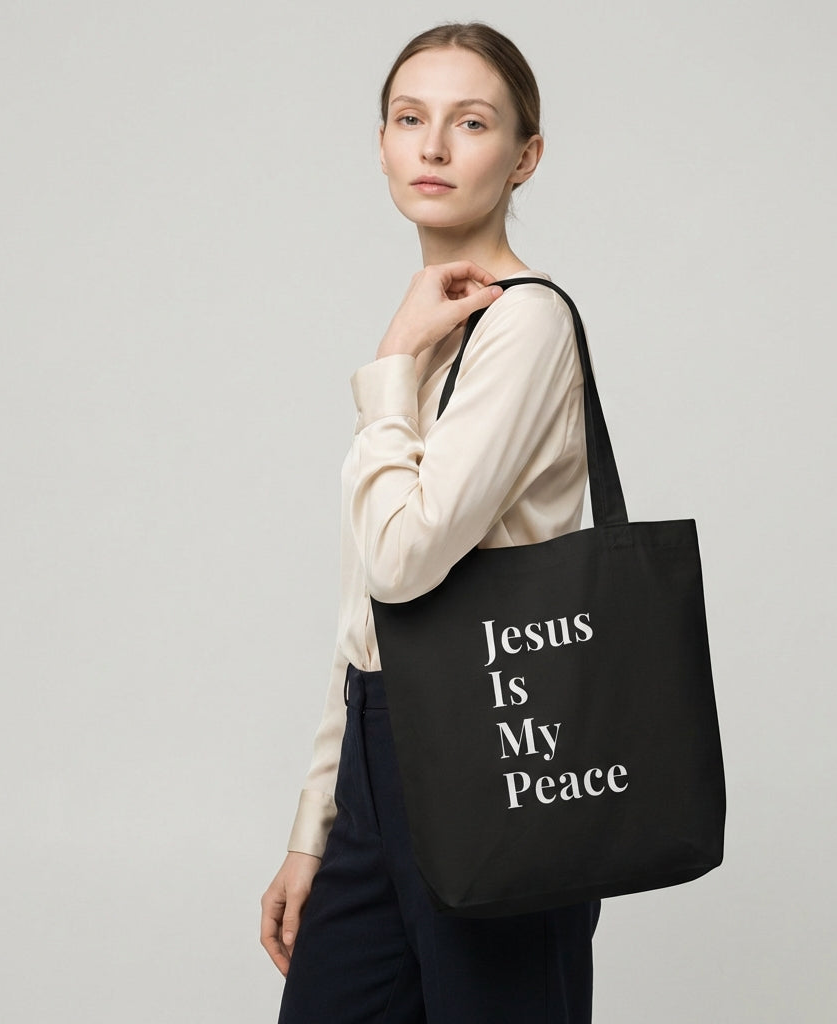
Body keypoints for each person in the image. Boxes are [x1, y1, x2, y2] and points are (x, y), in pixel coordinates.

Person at [261, 21, 600, 1023]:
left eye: (471, 122)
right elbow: (366, 602)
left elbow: (407, 559)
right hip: (378, 758)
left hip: (493, 754)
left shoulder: (527, 324)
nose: (435, 147)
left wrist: (389, 367)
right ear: (381, 144)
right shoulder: (433, 331)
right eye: (410, 119)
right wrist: (313, 828)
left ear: (524, 155)